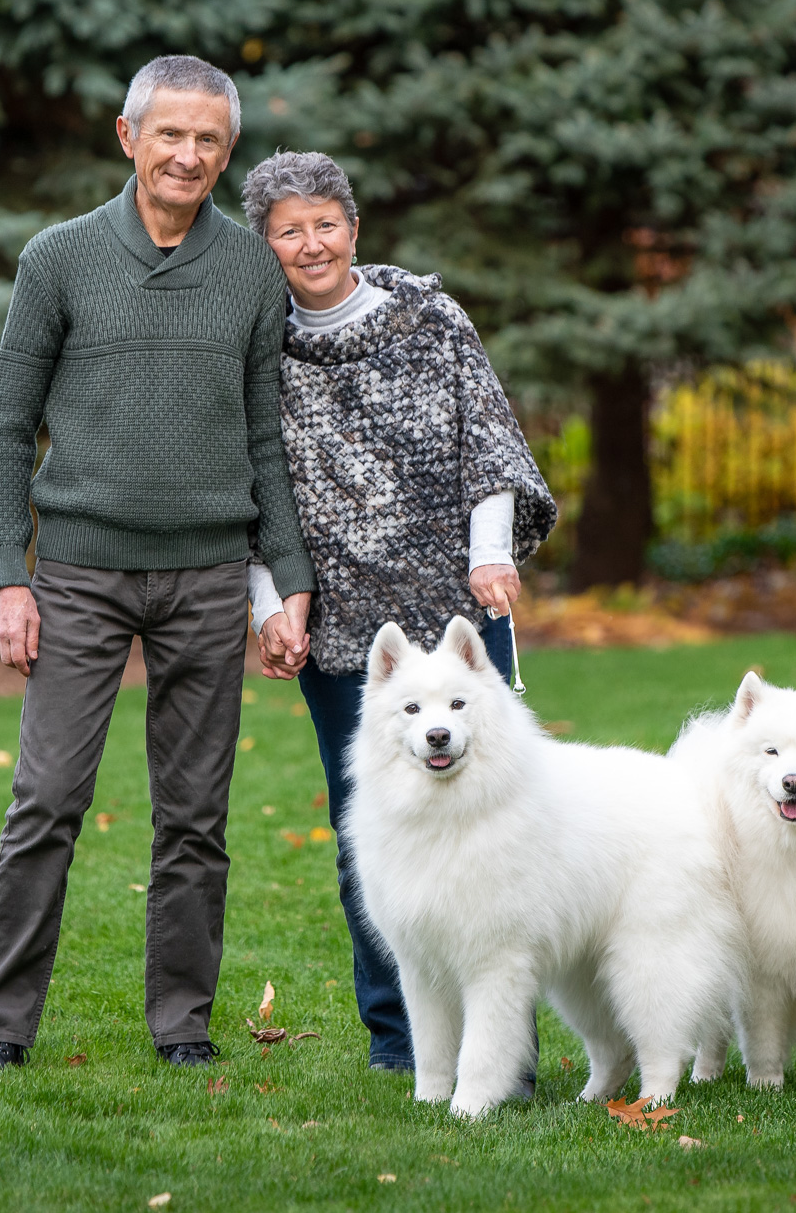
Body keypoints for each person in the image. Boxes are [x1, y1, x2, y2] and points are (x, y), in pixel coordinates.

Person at [0, 57, 316, 1075]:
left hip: (207, 579)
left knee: (195, 820)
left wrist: (283, 581)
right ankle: (0, 1030)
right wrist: (7, 576)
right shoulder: (59, 258)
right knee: (46, 804)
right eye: (170, 134)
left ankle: (182, 1028)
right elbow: (6, 429)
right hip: (77, 574)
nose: (188, 155)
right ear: (128, 137)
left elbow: (264, 442)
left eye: (208, 139)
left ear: (226, 150)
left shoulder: (251, 269)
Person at [237, 151, 557, 1078]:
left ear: (355, 227)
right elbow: (258, 494)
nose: (311, 243)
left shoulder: (429, 319)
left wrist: (491, 552)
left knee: (499, 828)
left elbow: (487, 441)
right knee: (370, 829)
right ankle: (399, 1041)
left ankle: (504, 1052)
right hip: (344, 634)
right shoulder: (263, 352)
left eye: (325, 223)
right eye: (289, 230)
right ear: (268, 246)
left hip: (455, 615)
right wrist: (269, 606)